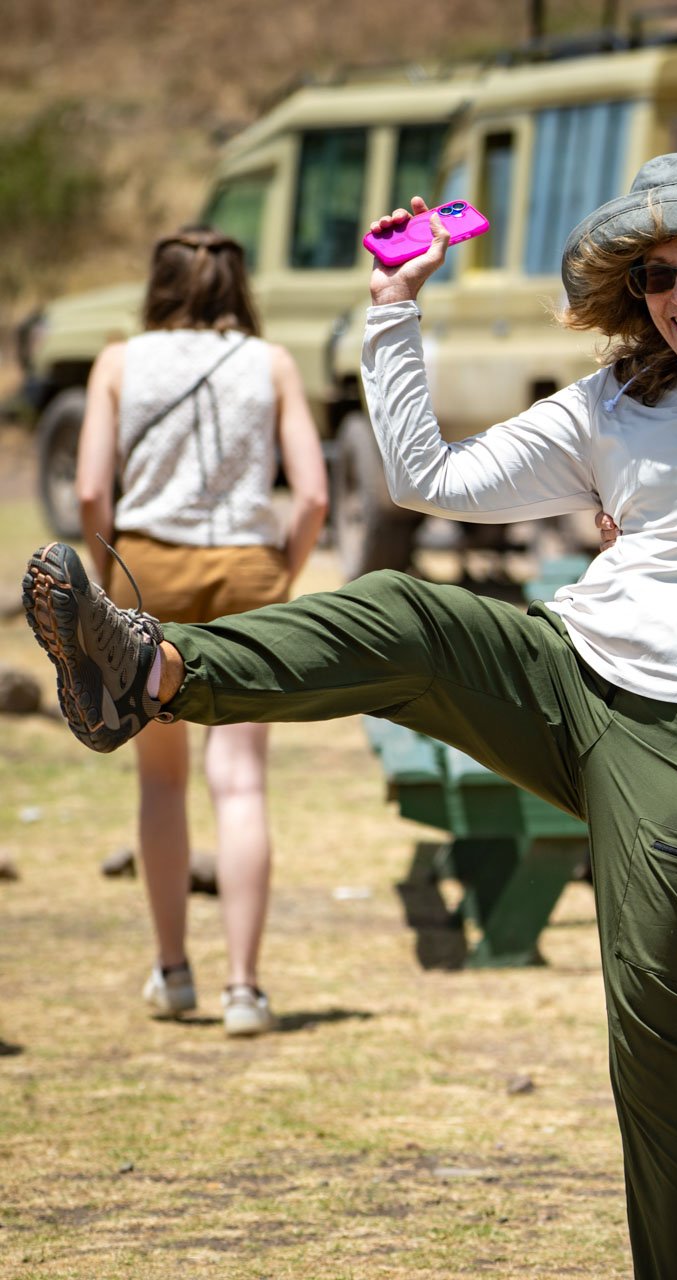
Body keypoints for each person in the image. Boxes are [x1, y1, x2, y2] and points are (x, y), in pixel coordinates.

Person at [20, 152, 677, 1280]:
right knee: (402, 612)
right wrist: (396, 308)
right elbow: (426, 476)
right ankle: (153, 670)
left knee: (656, 1022)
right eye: (659, 276)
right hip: (568, 667)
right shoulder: (609, 404)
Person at [68, 227, 329, 1035]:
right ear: (237, 286)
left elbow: (87, 490)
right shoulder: (272, 362)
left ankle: (175, 971)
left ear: (161, 282)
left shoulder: (120, 360)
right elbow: (314, 495)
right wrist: (280, 575)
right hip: (249, 569)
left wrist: (108, 582)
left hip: (149, 572)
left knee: (161, 782)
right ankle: (245, 989)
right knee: (242, 782)